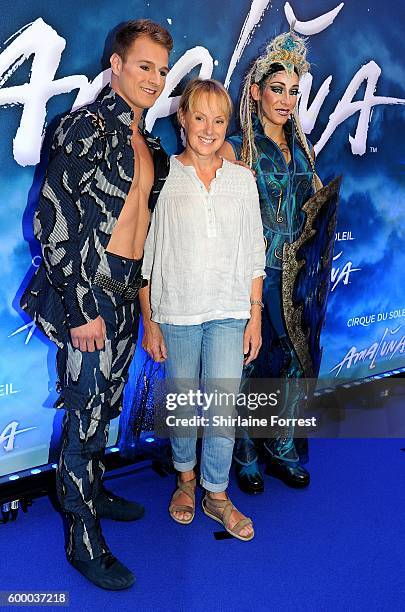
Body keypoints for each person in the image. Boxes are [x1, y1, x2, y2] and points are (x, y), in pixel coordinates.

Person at [20, 19, 172, 590]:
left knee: (105, 409)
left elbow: (143, 235)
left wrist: (146, 311)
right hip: (84, 298)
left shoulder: (150, 143)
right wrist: (81, 309)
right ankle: (82, 539)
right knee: (84, 422)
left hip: (126, 294)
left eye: (161, 69)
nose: (154, 79)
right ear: (116, 65)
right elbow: (51, 221)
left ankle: (93, 490)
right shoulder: (83, 127)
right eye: (143, 66)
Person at [139, 78, 266, 541]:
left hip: (230, 311)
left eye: (218, 120)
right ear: (182, 119)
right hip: (178, 312)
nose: (208, 129)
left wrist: (254, 315)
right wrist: (150, 320)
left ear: (227, 125)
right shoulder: (164, 176)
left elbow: (256, 251)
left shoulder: (243, 181)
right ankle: (185, 481)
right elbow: (148, 255)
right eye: (199, 117)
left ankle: (216, 493)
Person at [219, 26, 340, 493]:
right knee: (247, 362)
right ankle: (245, 448)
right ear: (256, 92)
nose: (286, 100)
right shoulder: (235, 148)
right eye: (277, 89)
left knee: (293, 359)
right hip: (251, 275)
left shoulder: (303, 152)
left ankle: (281, 444)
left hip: (297, 278)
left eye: (293, 91)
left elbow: (315, 215)